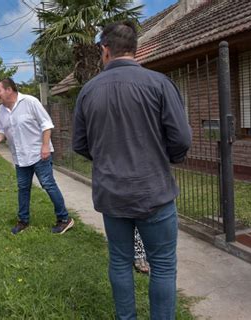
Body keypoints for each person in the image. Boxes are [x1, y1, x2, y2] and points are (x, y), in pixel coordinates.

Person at [73, 21, 191, 319]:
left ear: (105, 50)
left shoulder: (88, 91)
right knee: (163, 265)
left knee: (120, 261)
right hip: (155, 191)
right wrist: (161, 160)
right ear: (135, 49)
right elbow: (181, 139)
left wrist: (106, 159)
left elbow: (79, 144)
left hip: (112, 195)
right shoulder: (160, 83)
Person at [0, 78, 74, 235]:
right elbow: (2, 130)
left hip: (38, 154)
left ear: (9, 90)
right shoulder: (2, 109)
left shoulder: (30, 102)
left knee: (48, 184)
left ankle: (64, 219)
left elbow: (47, 124)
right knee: (23, 188)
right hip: (20, 157)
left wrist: (45, 147)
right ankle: (23, 221)